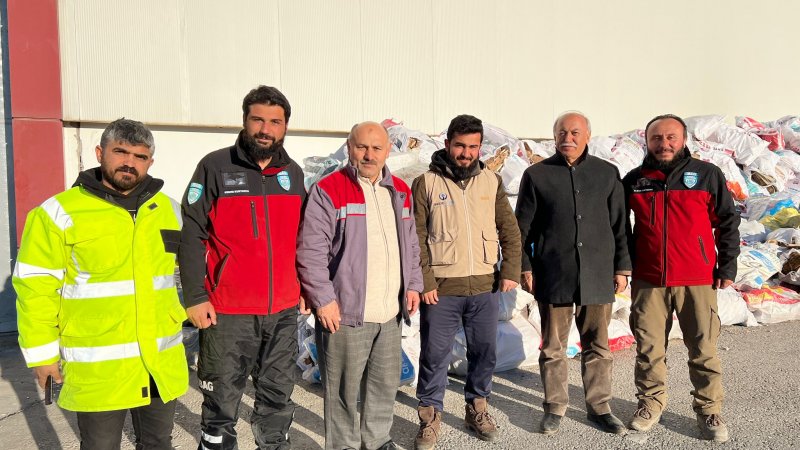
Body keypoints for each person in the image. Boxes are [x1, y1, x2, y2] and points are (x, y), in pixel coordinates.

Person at [14, 118, 188, 449]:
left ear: (150, 162)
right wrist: (42, 356)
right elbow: (35, 289)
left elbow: (193, 270)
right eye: (120, 152)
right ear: (99, 153)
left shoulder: (169, 210)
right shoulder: (58, 213)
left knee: (158, 443)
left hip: (158, 364)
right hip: (99, 370)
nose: (129, 163)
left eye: (140, 156)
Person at [179, 86, 306, 450]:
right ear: (245, 120)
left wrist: (305, 287)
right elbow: (192, 234)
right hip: (228, 312)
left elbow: (304, 238)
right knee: (221, 400)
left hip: (282, 311)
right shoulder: (215, 166)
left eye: (275, 122)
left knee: (278, 395)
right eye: (258, 120)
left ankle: (274, 444)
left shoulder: (293, 174)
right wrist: (195, 296)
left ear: (285, 127)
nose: (265, 129)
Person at [297, 121, 422, 450]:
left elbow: (410, 243)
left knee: (383, 385)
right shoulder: (329, 190)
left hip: (390, 312)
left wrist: (413, 284)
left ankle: (377, 440)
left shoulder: (400, 190)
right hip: (346, 312)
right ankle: (344, 445)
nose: (369, 155)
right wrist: (323, 299)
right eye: (361, 147)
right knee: (343, 390)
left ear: (387, 151)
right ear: (349, 147)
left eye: (376, 148)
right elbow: (311, 250)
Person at [622, 114, 740, 442]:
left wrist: (727, 266)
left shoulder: (706, 175)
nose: (664, 143)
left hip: (697, 279)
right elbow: (620, 229)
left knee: (703, 347)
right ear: (647, 141)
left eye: (671, 137)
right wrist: (626, 265)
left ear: (683, 139)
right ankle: (650, 403)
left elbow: (728, 221)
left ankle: (709, 409)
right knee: (648, 348)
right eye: (657, 138)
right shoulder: (635, 180)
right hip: (649, 280)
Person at [515, 111, 631, 436]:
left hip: (597, 273)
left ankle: (600, 407)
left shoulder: (606, 173)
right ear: (554, 137)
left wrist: (622, 266)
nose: (568, 138)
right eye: (562, 132)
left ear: (588, 136)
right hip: (553, 273)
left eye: (575, 132)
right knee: (554, 347)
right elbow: (520, 228)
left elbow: (620, 225)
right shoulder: (537, 175)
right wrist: (525, 265)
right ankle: (554, 407)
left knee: (598, 345)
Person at [411, 114, 521, 448]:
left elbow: (509, 229)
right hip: (442, 289)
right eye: (460, 146)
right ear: (447, 144)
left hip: (484, 287)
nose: (466, 153)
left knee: (485, 352)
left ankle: (477, 408)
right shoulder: (427, 183)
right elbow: (416, 237)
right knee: (434, 355)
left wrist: (510, 270)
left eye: (473, 147)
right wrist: (425, 281)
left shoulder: (491, 181)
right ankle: (430, 417)